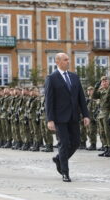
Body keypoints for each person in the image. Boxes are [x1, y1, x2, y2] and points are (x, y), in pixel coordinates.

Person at [45, 52, 90, 182]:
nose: (68, 62)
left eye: (68, 59)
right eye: (65, 60)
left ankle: (59, 158)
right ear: (57, 62)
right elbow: (49, 100)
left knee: (76, 142)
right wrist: (50, 119)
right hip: (59, 118)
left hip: (74, 116)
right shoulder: (51, 78)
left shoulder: (74, 77)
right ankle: (65, 172)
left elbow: (81, 97)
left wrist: (85, 115)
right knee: (64, 143)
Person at [92, 76, 110, 157]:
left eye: (105, 81)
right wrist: (96, 87)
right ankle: (105, 148)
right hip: (101, 113)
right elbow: (94, 96)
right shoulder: (101, 91)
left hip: (107, 113)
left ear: (108, 82)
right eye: (102, 82)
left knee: (107, 132)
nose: (104, 83)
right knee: (102, 132)